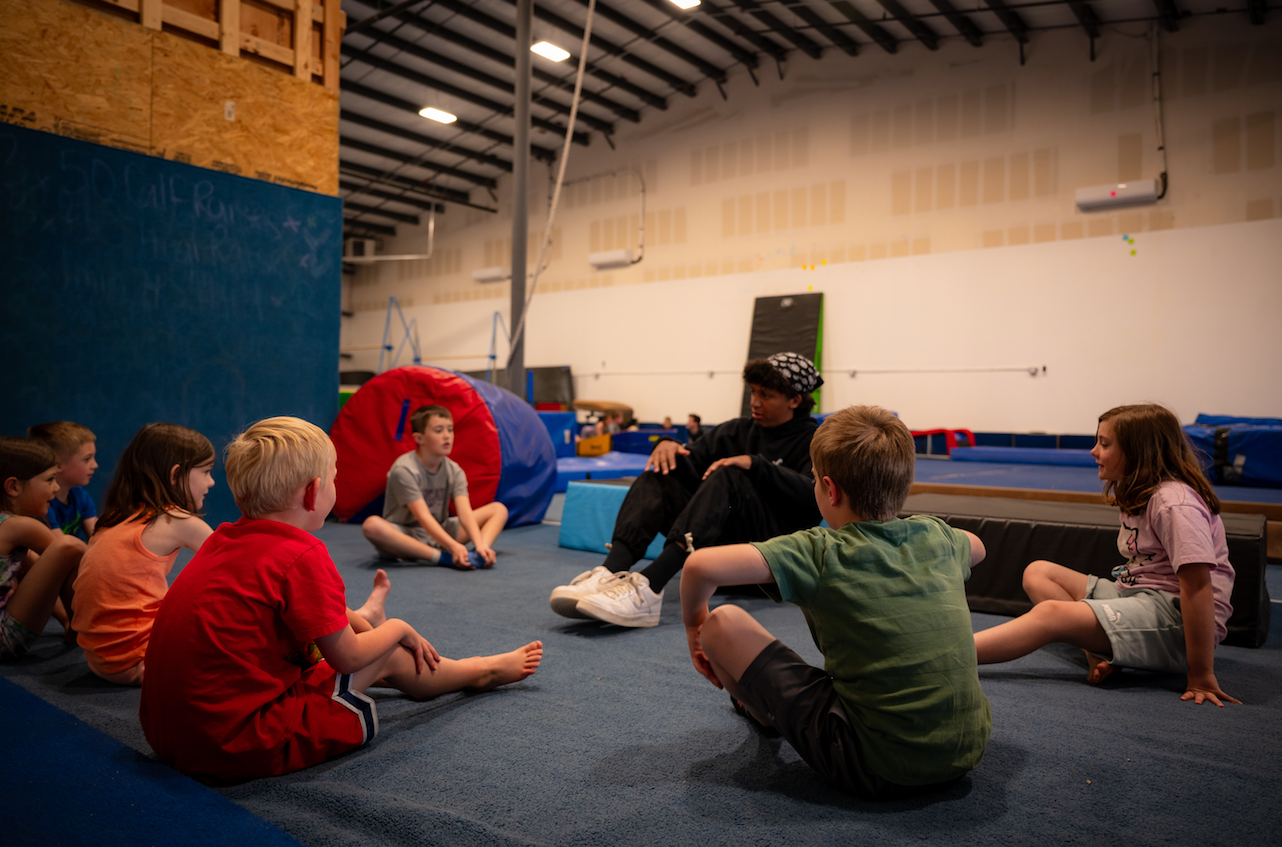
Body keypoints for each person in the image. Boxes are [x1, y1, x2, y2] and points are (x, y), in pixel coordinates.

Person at [139, 417, 543, 784]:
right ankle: (481, 671)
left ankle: (412, 659)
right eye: (334, 477)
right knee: (389, 653)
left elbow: (285, 604)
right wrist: (397, 627)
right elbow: (347, 658)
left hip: (168, 734)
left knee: (354, 644)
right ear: (315, 492)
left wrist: (365, 625)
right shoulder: (302, 554)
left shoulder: (226, 539)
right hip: (232, 744)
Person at [682, 405, 990, 798]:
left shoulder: (821, 549)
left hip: (873, 766)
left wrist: (694, 628)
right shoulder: (938, 536)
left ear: (830, 489)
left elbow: (699, 567)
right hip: (964, 753)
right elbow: (978, 548)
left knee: (722, 623)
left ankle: (762, 711)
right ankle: (769, 710)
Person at [973, 404, 1239, 706]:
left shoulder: (1174, 505)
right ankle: (1099, 650)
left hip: (1177, 621)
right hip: (1140, 595)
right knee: (1038, 572)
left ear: (1139, 451)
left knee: (1052, 615)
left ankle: (947, 653)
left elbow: (1199, 588)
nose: (1093, 451)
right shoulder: (1141, 491)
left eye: (1105, 443)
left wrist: (1201, 672)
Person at [550, 352, 823, 628]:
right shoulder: (736, 431)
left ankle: (649, 588)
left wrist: (756, 465)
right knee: (663, 469)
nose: (754, 402)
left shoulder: (815, 442)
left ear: (795, 400)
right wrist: (668, 446)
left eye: (765, 395)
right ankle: (610, 571)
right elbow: (689, 462)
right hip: (720, 554)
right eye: (753, 392)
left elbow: (814, 497)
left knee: (730, 473)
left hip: (767, 564)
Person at [71, 423, 216, 685]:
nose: (211, 482)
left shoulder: (116, 517)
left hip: (99, 660)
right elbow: (237, 567)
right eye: (206, 472)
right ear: (176, 475)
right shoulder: (178, 520)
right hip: (137, 661)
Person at [361, 405, 508, 570]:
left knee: (498, 509)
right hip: (408, 535)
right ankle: (441, 557)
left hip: (441, 529)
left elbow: (465, 513)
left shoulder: (454, 470)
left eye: (450, 430)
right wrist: (453, 546)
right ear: (419, 438)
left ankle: (479, 554)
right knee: (372, 525)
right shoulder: (404, 469)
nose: (447, 436)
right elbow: (423, 517)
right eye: (438, 431)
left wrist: (480, 543)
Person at [0, 437, 86, 658]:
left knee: (31, 560)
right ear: (13, 486)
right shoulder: (20, 526)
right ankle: (81, 630)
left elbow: (43, 571)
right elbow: (71, 559)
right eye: (49, 480)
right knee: (70, 546)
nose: (56, 489)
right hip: (4, 639)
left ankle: (70, 623)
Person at [28, 421, 99, 542]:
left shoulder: (80, 496)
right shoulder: (43, 503)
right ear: (58, 464)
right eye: (87, 459)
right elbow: (62, 548)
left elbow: (98, 537)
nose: (95, 465)